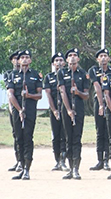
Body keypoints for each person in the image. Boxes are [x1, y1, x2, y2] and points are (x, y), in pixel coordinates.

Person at [7, 50, 42, 180]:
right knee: (18, 138)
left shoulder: (35, 75)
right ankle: (21, 166)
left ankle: (27, 168)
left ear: (30, 60)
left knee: (28, 137)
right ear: (18, 60)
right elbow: (10, 94)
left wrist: (29, 96)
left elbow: (40, 95)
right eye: (22, 57)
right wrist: (19, 109)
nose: (25, 59)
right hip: (17, 110)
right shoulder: (13, 75)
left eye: (27, 57)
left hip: (31, 109)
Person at [58, 48, 89, 180]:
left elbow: (86, 95)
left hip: (80, 108)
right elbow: (63, 91)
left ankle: (76, 168)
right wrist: (69, 110)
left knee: (77, 138)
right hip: (66, 108)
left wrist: (78, 92)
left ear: (78, 59)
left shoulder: (83, 73)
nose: (72, 57)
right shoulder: (62, 73)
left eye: (75, 55)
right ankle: (70, 168)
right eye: (70, 55)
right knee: (68, 139)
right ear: (66, 60)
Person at [87, 48, 111, 171]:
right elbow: (97, 86)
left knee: (108, 131)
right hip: (99, 102)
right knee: (100, 131)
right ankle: (100, 160)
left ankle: (107, 160)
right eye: (101, 56)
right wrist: (102, 104)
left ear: (108, 58)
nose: (103, 58)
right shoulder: (93, 70)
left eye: (105, 56)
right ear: (97, 59)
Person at [44, 52, 68, 172]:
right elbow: (48, 94)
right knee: (56, 136)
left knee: (65, 135)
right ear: (53, 63)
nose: (59, 62)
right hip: (55, 109)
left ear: (64, 62)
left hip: (66, 109)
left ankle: (63, 161)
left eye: (60, 60)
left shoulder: (68, 75)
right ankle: (57, 160)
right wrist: (54, 110)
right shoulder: (49, 77)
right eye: (56, 60)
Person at [5, 50, 22, 172]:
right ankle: (18, 160)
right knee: (16, 134)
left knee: (24, 134)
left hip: (26, 108)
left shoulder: (26, 74)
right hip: (14, 109)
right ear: (12, 60)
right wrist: (11, 108)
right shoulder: (9, 74)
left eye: (19, 58)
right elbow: (10, 93)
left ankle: (23, 161)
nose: (17, 61)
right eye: (15, 58)